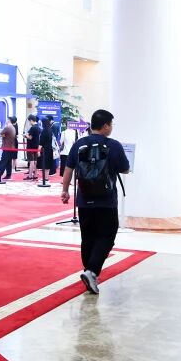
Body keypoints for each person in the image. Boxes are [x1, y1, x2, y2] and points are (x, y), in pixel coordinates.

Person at [61, 109, 131, 295]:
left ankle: (88, 271)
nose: (111, 128)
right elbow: (125, 169)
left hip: (84, 200)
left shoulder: (79, 144)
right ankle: (91, 271)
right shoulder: (113, 145)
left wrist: (65, 191)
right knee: (107, 235)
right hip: (106, 201)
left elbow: (68, 169)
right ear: (106, 126)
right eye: (111, 124)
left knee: (88, 237)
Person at [0, 116, 17, 182]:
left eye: (7, 119)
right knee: (8, 162)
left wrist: (3, 135)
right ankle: (8, 174)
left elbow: (0, 134)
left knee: (3, 162)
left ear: (9, 120)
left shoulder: (7, 127)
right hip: (11, 147)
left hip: (7, 147)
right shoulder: (13, 127)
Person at [25, 114, 40, 180]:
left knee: (31, 161)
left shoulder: (33, 128)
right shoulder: (38, 127)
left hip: (31, 146)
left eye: (29, 121)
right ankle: (35, 174)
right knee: (35, 161)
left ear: (31, 120)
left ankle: (30, 175)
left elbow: (30, 137)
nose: (29, 123)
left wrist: (25, 136)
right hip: (36, 146)